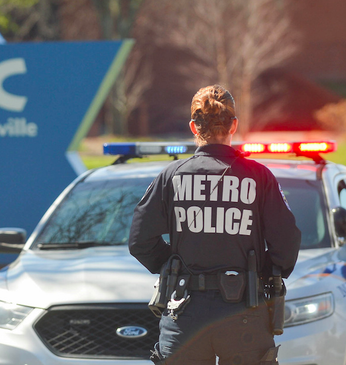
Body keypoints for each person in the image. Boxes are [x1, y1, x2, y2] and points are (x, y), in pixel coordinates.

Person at [129, 85, 301, 365]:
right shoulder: (259, 177)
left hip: (184, 313)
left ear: (194, 127)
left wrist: (172, 266)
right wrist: (261, 273)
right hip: (245, 312)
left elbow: (139, 241)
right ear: (233, 125)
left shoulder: (171, 176)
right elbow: (287, 242)